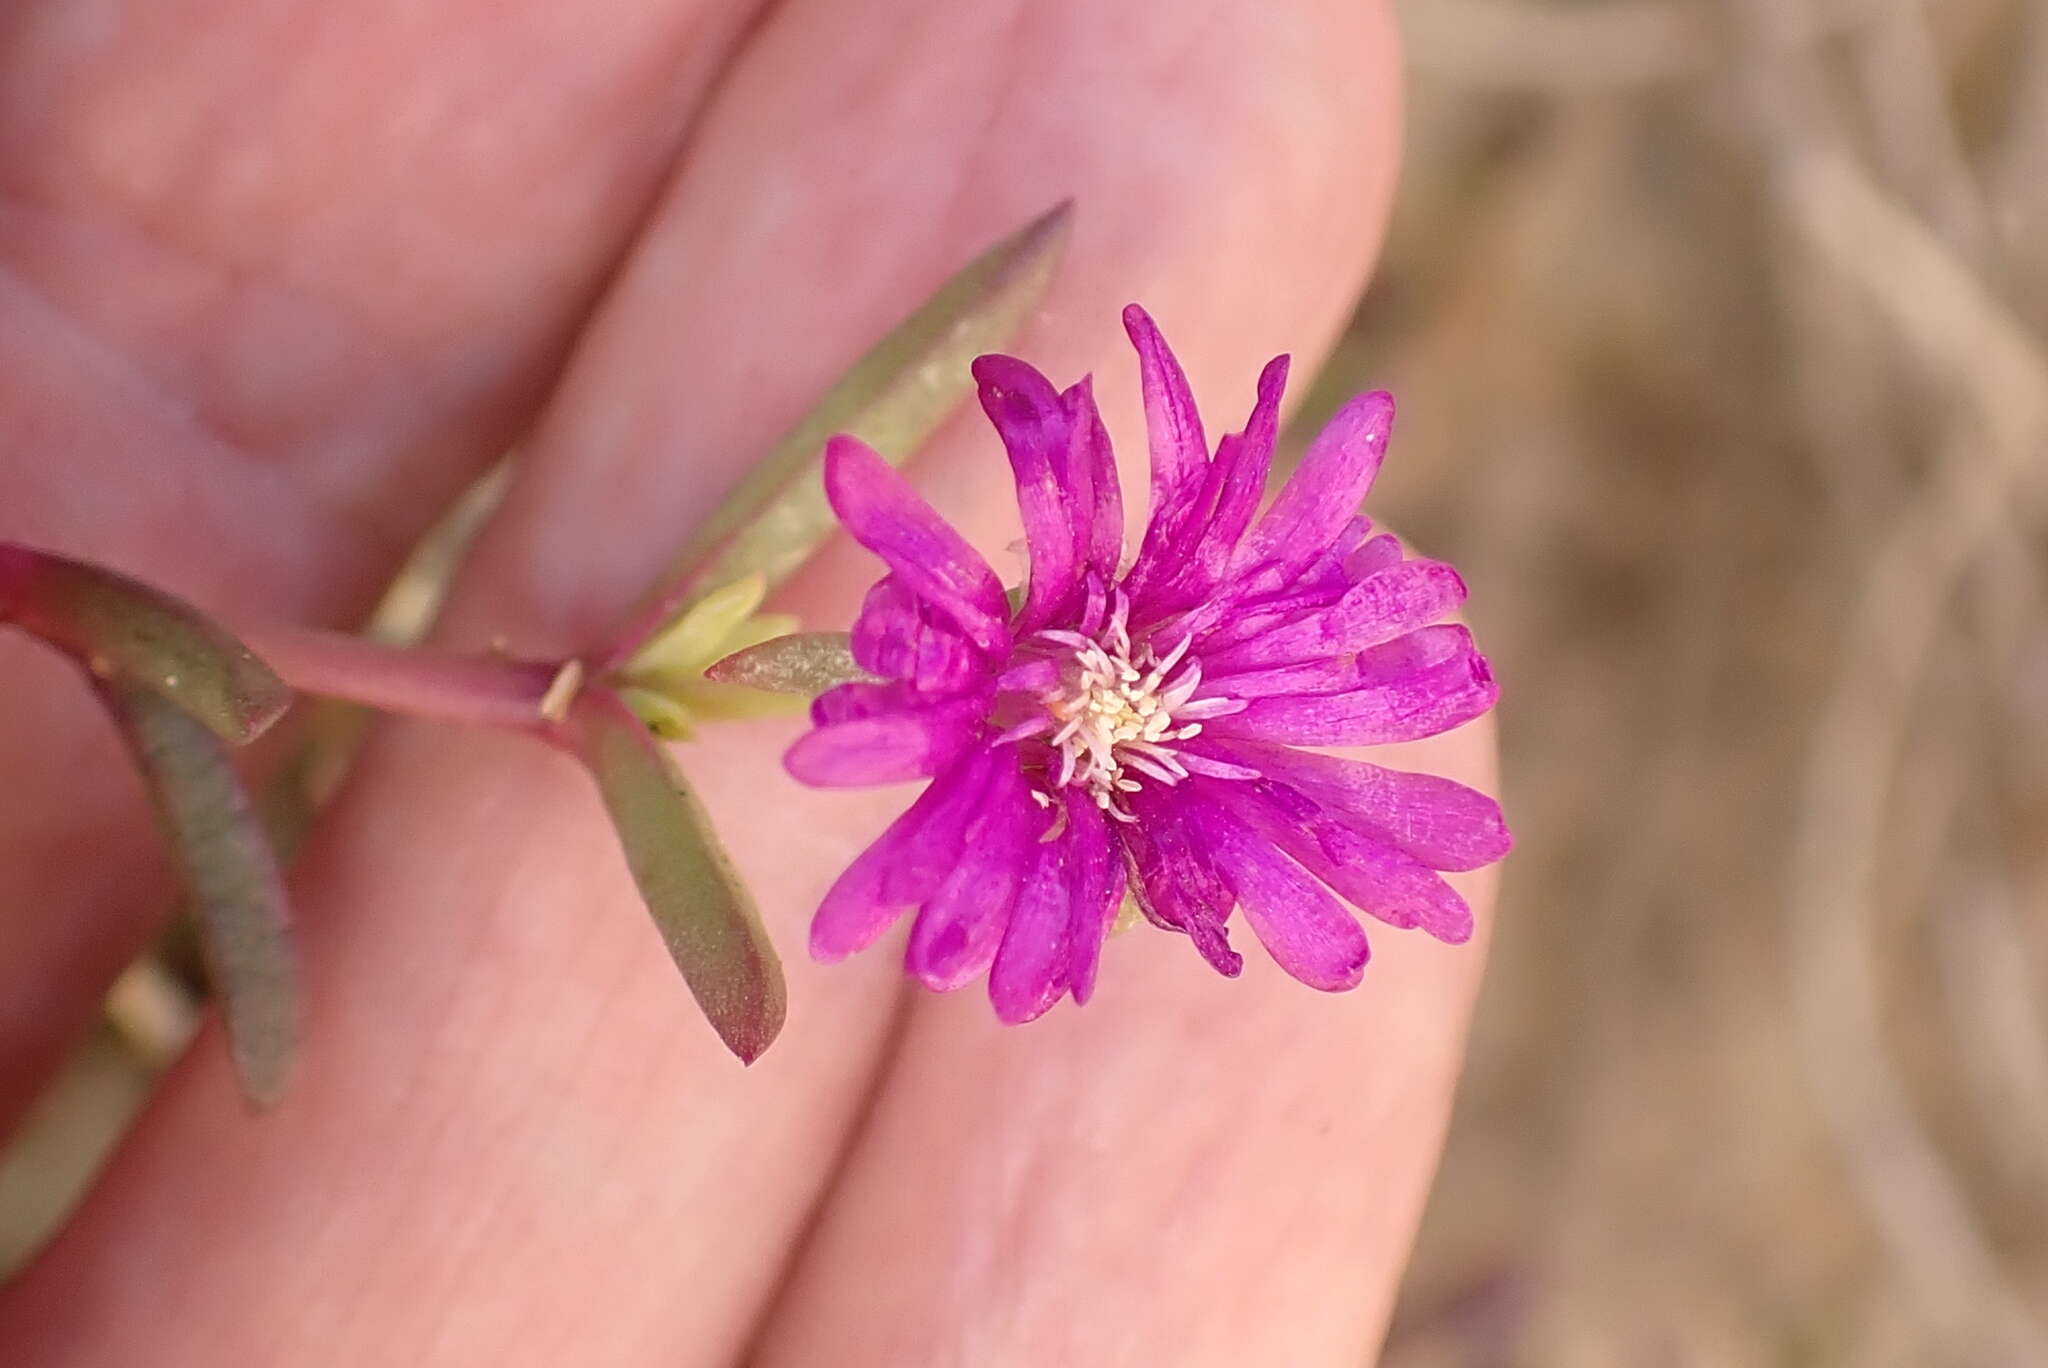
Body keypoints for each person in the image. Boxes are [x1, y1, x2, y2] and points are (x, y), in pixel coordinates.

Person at [0, 1, 1499, 1360]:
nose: (1105, 698)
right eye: (1116, 681)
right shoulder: (1039, 614)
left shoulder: (1064, 783)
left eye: (1120, 714)